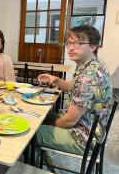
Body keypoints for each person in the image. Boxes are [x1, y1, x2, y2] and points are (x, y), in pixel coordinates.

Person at [36, 25, 113, 155]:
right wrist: (55, 80)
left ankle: (35, 168)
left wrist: (49, 127)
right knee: (40, 116)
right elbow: (76, 89)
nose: (71, 48)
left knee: (30, 132)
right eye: (69, 43)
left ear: (93, 47)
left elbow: (69, 121)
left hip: (83, 137)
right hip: (91, 127)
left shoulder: (88, 76)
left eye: (78, 43)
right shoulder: (93, 64)